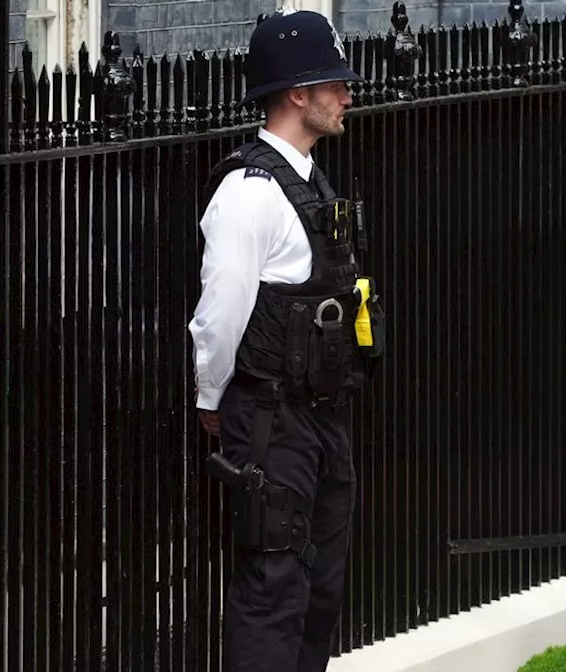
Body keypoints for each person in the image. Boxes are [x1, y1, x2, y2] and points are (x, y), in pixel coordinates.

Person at [189, 9, 384, 672]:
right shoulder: (249, 194)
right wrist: (210, 399)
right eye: (335, 84)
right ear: (298, 95)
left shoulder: (307, 177)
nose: (348, 95)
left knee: (321, 590)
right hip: (272, 421)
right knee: (275, 588)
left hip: (324, 419)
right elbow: (219, 315)